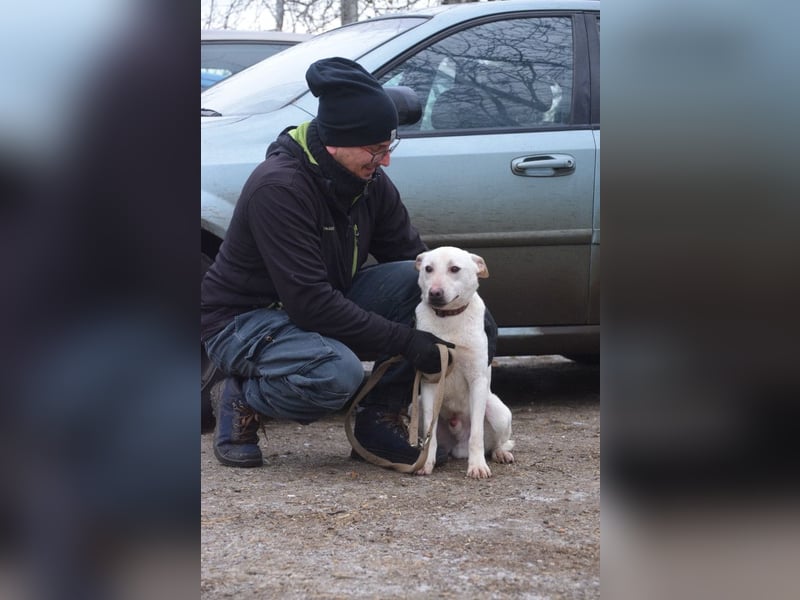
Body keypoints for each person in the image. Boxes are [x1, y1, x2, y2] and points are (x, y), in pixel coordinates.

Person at [201, 57, 496, 468]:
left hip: (317, 303)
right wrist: (408, 342)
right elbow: (310, 303)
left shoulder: (368, 181)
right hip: (245, 319)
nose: (385, 160)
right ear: (336, 141)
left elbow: (410, 258)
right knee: (335, 374)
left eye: (388, 147)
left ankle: (377, 420)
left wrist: (458, 313)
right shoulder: (280, 189)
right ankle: (243, 396)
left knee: (459, 313)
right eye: (375, 150)